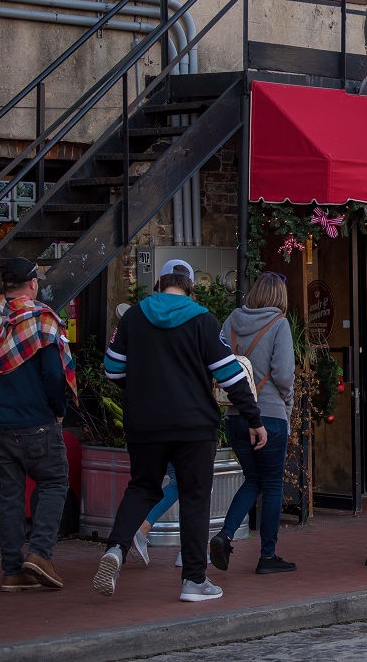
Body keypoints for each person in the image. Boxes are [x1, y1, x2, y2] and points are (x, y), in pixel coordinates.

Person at [95, 258, 265, 602]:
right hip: (193, 426)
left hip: (143, 423)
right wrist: (254, 419)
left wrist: (141, 388)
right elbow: (230, 376)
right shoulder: (202, 320)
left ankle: (116, 548)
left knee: (142, 486)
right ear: (189, 290)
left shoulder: (134, 317)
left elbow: (112, 369)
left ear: (158, 287)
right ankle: (193, 581)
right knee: (194, 497)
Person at [0, 257, 76, 593]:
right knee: (55, 482)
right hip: (36, 421)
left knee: (10, 495)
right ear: (32, 284)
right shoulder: (41, 319)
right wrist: (59, 410)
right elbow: (54, 373)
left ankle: (12, 571)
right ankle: (40, 554)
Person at [210, 272, 297, 575]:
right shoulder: (279, 324)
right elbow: (284, 374)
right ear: (280, 298)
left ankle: (225, 534)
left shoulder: (230, 321)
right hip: (270, 415)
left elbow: (218, 365)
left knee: (252, 478)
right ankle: (268, 556)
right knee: (272, 485)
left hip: (234, 415)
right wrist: (288, 402)